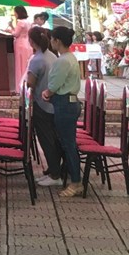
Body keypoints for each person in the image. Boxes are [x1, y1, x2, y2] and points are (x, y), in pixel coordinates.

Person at [45, 27, 83, 198]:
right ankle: (72, 178)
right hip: (69, 102)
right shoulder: (70, 57)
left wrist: (47, 93)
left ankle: (76, 183)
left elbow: (54, 84)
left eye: (52, 39)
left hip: (65, 104)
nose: (51, 42)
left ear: (57, 41)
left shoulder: (63, 61)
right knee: (67, 144)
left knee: (68, 145)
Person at [24, 26, 63, 187]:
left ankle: (55, 174)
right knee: (54, 138)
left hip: (42, 103)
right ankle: (55, 169)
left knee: (47, 140)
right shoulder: (52, 56)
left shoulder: (37, 59)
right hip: (54, 103)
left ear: (31, 41)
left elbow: (30, 83)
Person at [11, 7, 34, 87]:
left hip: (20, 44)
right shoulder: (28, 22)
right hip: (27, 43)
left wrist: (10, 30)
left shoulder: (20, 22)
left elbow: (16, 34)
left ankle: (19, 85)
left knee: (20, 65)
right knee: (26, 64)